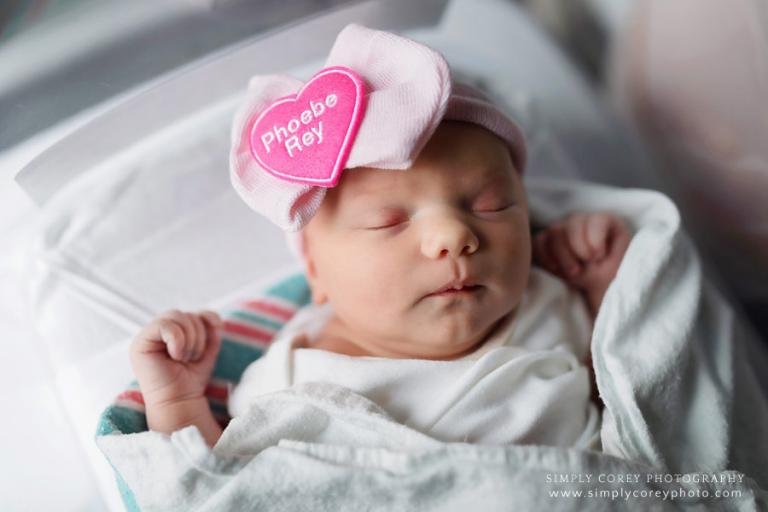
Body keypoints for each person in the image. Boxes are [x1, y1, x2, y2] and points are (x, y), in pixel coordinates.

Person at [129, 24, 631, 449]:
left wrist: (605, 288)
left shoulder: (547, 302)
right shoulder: (296, 382)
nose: (453, 235)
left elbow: (622, 393)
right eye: (387, 221)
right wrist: (176, 402)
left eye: (492, 205)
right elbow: (222, 491)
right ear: (316, 273)